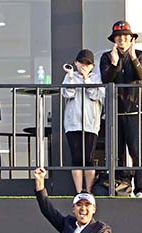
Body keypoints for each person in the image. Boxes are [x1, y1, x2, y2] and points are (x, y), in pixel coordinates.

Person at [100, 21, 142, 197]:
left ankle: (141, 188)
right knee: (117, 151)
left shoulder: (141, 55)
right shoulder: (107, 57)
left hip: (134, 111)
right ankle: (121, 186)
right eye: (118, 37)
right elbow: (107, 79)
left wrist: (133, 56)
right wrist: (114, 63)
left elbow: (141, 74)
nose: (122, 40)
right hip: (115, 111)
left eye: (125, 37)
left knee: (137, 151)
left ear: (131, 39)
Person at [63, 49, 105, 194]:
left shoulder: (96, 78)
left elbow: (96, 94)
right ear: (76, 63)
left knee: (89, 159)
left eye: (87, 64)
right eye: (81, 63)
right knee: (76, 158)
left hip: (90, 124)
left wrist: (86, 79)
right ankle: (78, 191)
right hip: (73, 123)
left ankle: (88, 190)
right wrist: (71, 76)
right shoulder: (70, 76)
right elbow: (67, 93)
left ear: (92, 66)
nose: (84, 66)